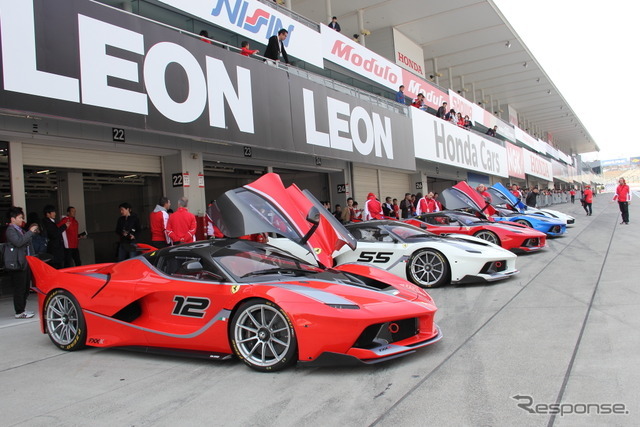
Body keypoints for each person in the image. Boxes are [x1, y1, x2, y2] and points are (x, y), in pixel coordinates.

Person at [5, 207, 38, 318]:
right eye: (19, 217)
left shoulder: (19, 229)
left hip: (24, 262)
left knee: (25, 288)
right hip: (18, 263)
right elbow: (19, 242)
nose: (21, 220)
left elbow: (26, 241)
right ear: (13, 219)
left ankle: (22, 309)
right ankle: (19, 311)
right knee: (19, 288)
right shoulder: (10, 230)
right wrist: (30, 232)